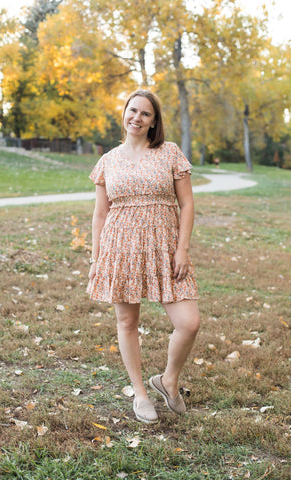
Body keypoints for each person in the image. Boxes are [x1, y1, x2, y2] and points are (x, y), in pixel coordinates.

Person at [87, 89, 200, 424]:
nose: (137, 118)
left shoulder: (170, 153)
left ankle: (167, 380)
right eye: (132, 111)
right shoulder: (108, 160)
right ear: (124, 113)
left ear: (154, 122)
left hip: (165, 248)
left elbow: (188, 204)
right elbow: (99, 214)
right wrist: (96, 260)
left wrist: (182, 249)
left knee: (189, 323)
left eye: (145, 114)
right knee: (127, 321)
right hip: (120, 247)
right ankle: (140, 392)